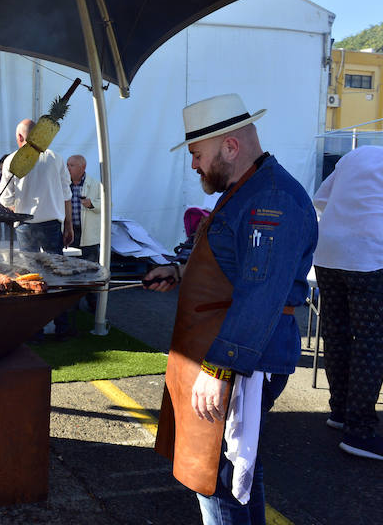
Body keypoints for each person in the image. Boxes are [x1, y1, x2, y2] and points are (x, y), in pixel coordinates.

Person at [146, 93, 317, 524]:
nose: (194, 166)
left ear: (230, 146)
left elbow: (262, 293)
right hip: (221, 350)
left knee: (216, 476)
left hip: (241, 359)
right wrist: (181, 271)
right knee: (238, 470)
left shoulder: (271, 199)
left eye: (197, 155)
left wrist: (221, 368)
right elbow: (236, 263)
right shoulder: (246, 188)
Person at [312, 136, 383, 462]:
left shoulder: (359, 153)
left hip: (326, 253)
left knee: (337, 335)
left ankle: (340, 411)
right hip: (370, 259)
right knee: (370, 344)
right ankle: (360, 430)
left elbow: (321, 199)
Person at [0, 119, 75, 339]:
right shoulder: (55, 158)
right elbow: (66, 195)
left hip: (25, 225)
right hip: (52, 224)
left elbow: (5, 198)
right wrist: (68, 225)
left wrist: (17, 205)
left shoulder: (12, 160)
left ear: (20, 138)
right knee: (56, 276)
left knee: (29, 278)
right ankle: (62, 326)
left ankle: (35, 330)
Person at [66, 154, 101, 264]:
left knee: (90, 266)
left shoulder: (96, 185)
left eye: (71, 165)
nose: (68, 168)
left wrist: (92, 204)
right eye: (67, 165)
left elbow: (107, 205)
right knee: (68, 265)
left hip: (87, 233)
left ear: (83, 167)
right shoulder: (63, 184)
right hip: (68, 230)